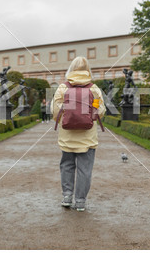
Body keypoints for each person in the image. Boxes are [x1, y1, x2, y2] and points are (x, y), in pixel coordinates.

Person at [51, 56, 106, 212]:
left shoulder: (63, 87)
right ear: (88, 69)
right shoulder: (93, 89)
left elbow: (55, 112)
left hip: (67, 136)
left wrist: (65, 118)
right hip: (88, 137)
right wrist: (90, 114)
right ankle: (80, 201)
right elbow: (100, 111)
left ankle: (67, 196)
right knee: (85, 170)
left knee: (67, 166)